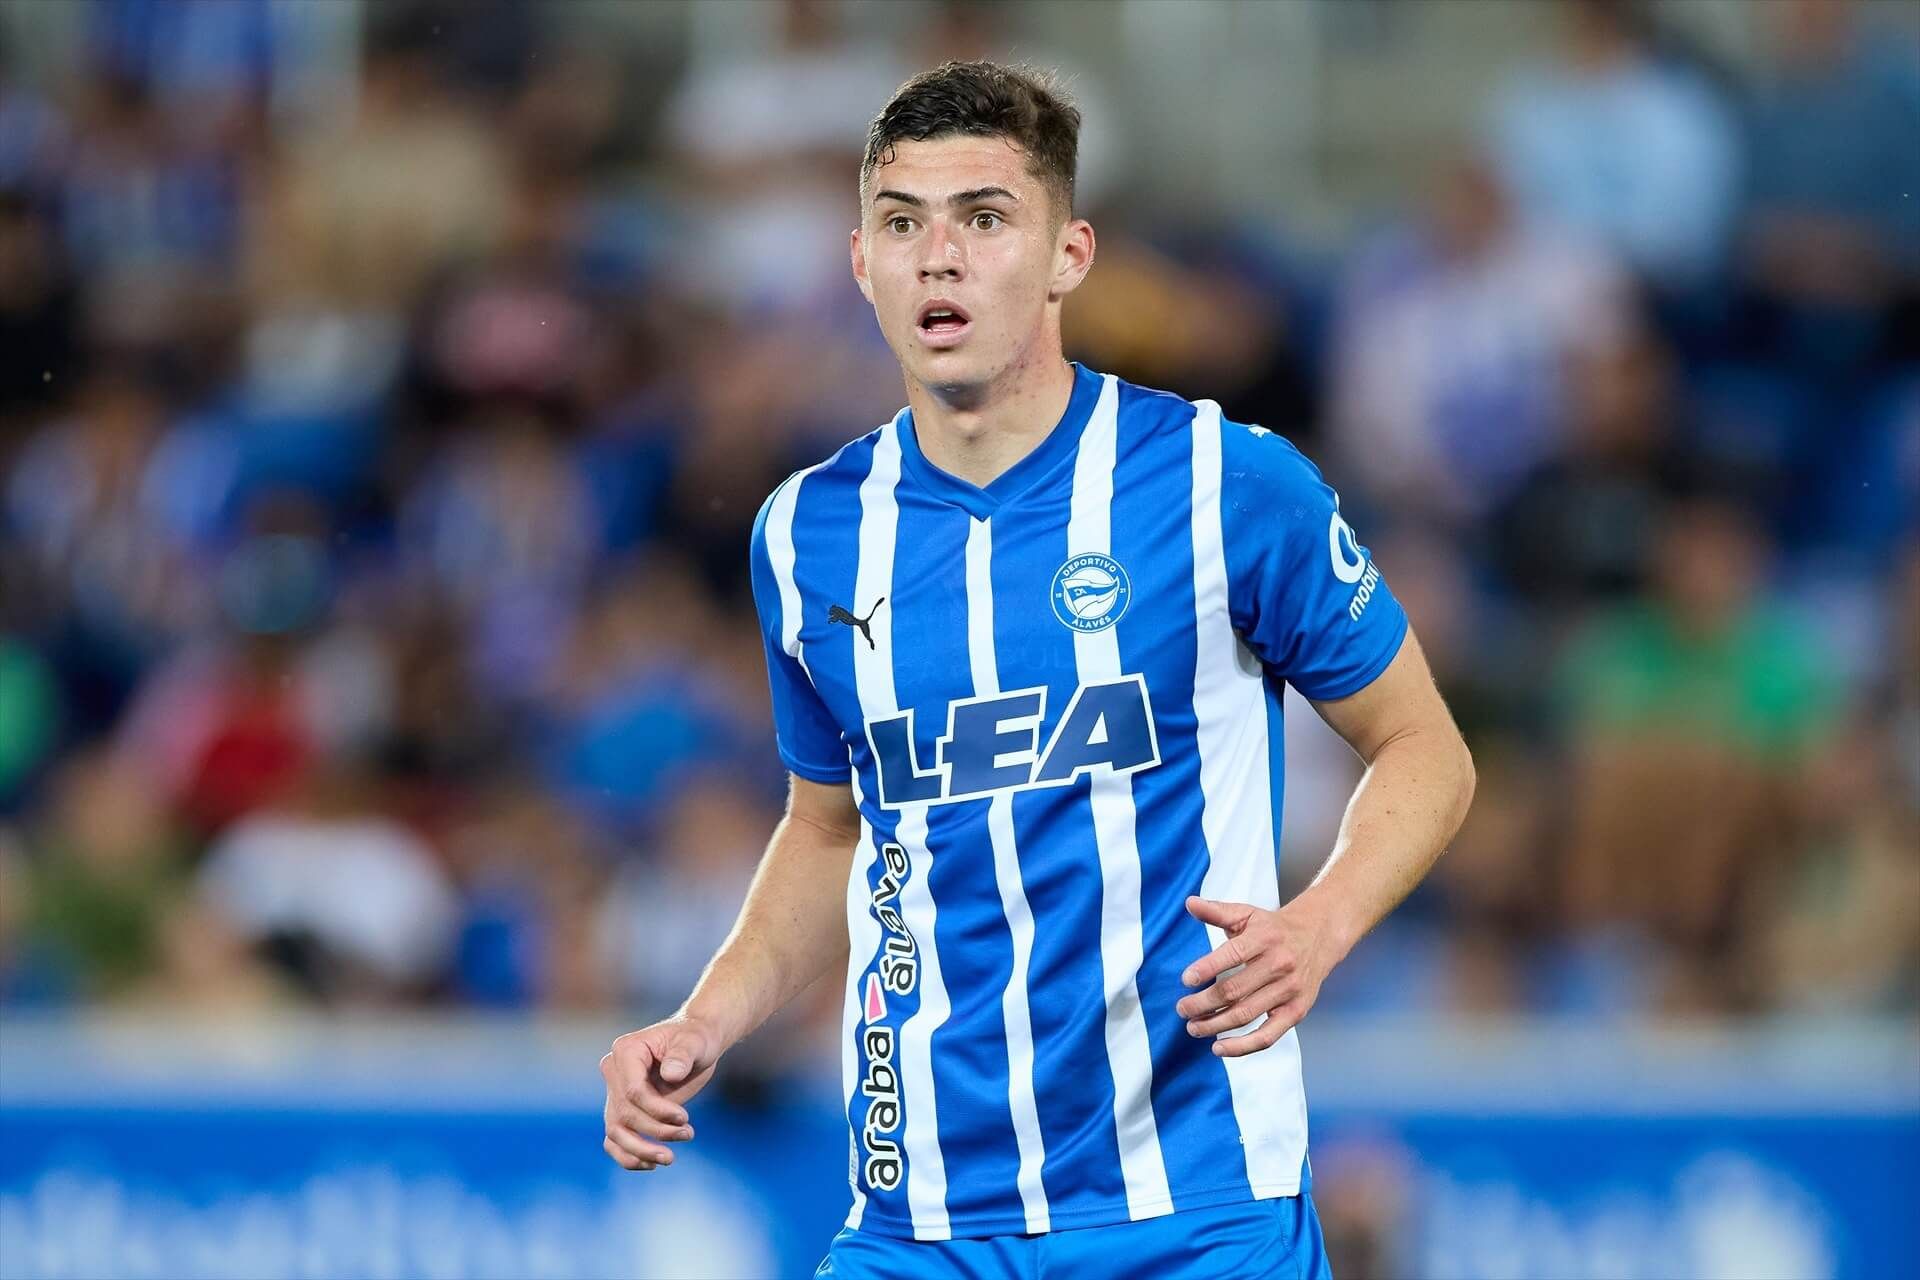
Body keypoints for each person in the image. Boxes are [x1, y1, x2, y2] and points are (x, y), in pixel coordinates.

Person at [599, 62, 1475, 1278]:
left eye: (984, 218)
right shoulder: (807, 534)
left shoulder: (1224, 482)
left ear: (1069, 254)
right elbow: (829, 825)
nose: (938, 259)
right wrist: (710, 1015)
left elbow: (1426, 746)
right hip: (919, 1219)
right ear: (860, 263)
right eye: (902, 223)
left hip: (1196, 1208)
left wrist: (1319, 925)